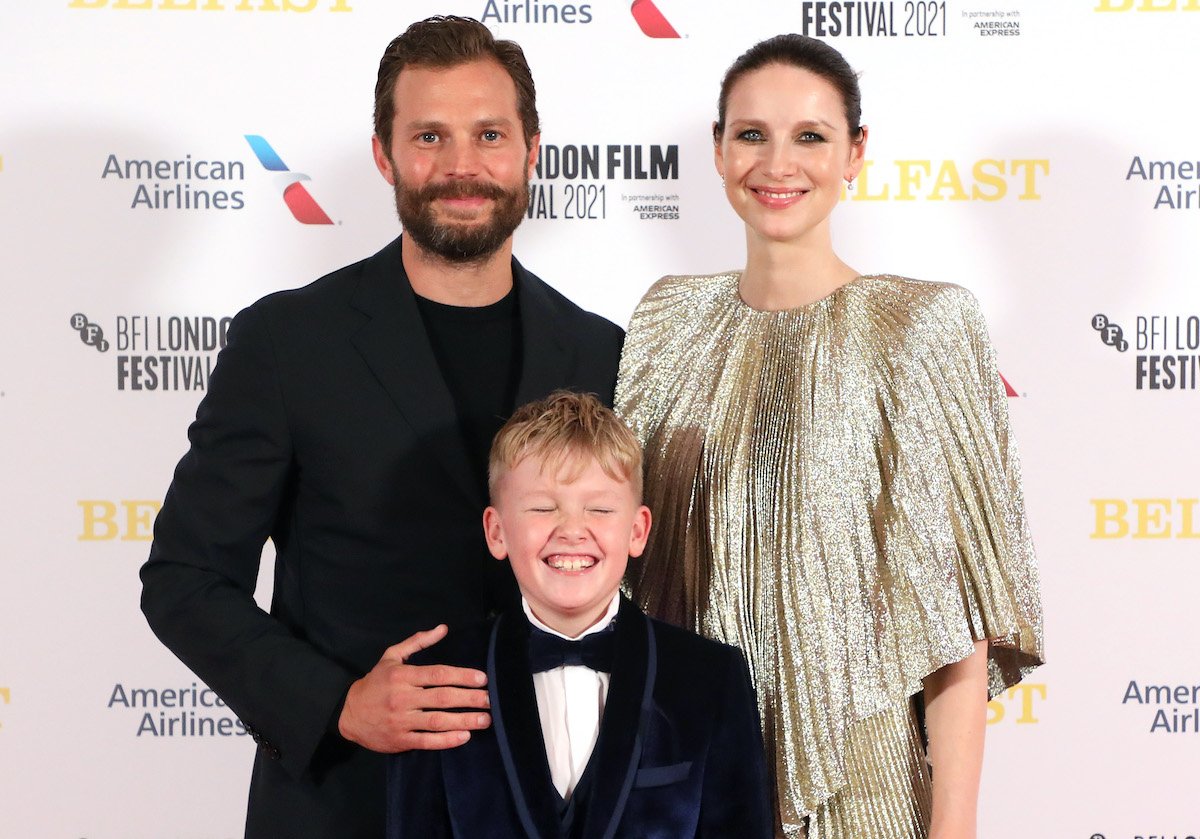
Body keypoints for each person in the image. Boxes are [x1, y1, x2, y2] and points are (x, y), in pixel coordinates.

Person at [139, 16, 623, 839]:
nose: (462, 166)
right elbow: (184, 578)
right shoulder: (288, 342)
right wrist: (337, 703)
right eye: (429, 135)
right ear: (384, 154)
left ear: (532, 151)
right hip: (346, 804)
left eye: (489, 135)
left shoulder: (604, 351)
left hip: (559, 802)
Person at [615, 34, 1044, 839]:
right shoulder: (665, 322)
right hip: (688, 787)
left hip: (866, 790)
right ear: (717, 151)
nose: (779, 163)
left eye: (810, 136)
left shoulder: (924, 326)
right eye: (752, 135)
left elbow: (959, 627)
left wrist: (953, 830)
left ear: (856, 152)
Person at [386, 391, 773, 839]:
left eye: (600, 509)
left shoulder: (711, 677)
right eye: (543, 507)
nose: (571, 530)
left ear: (637, 530)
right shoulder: (436, 680)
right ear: (496, 532)